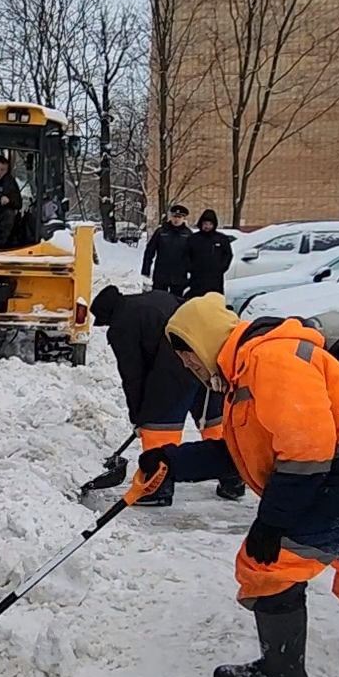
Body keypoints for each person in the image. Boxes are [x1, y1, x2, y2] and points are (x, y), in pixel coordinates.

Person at [124, 292, 339, 677]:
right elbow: (242, 451)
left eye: (187, 354)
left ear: (204, 340)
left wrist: (272, 523)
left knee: (267, 564)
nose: (187, 365)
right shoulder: (246, 373)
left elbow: (305, 452)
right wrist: (171, 460)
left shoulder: (271, 360)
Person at [93, 286, 245, 506]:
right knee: (213, 416)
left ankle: (158, 488)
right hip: (204, 351)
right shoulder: (153, 297)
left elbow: (132, 373)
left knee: (159, 425)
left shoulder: (122, 323)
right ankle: (234, 478)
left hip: (174, 362)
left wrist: (139, 416)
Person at [182, 209, 235, 299]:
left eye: (210, 224)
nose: (207, 226)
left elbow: (228, 255)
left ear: (214, 225)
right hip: (197, 278)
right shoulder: (194, 238)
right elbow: (186, 255)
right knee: (197, 300)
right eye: (205, 224)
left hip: (215, 279)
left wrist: (220, 268)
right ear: (201, 224)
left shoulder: (221, 238)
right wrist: (191, 268)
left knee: (214, 300)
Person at [141, 204, 192, 296]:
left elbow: (193, 255)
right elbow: (150, 251)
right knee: (158, 299)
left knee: (176, 301)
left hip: (179, 275)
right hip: (161, 274)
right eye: (174, 216)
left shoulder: (188, 234)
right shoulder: (161, 232)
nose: (176, 219)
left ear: (183, 218)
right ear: (171, 217)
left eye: (179, 217)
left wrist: (191, 271)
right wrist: (146, 269)